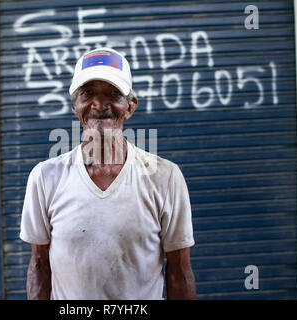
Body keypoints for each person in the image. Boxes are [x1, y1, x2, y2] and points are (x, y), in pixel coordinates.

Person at [19, 47, 196, 300]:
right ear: (75, 106)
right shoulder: (45, 178)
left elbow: (179, 270)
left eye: (113, 94)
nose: (100, 104)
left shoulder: (165, 177)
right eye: (88, 93)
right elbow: (39, 264)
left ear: (130, 106)